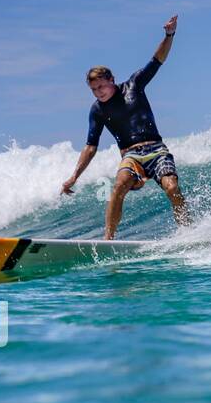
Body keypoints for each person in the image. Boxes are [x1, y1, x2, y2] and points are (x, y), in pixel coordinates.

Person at [60, 15, 189, 239]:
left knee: (171, 187)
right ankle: (108, 240)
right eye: (94, 89)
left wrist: (169, 35)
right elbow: (90, 147)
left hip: (156, 150)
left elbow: (157, 60)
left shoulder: (134, 85)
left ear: (112, 80)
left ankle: (187, 230)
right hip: (131, 156)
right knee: (119, 185)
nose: (99, 92)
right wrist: (74, 177)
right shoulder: (97, 110)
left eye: (101, 86)